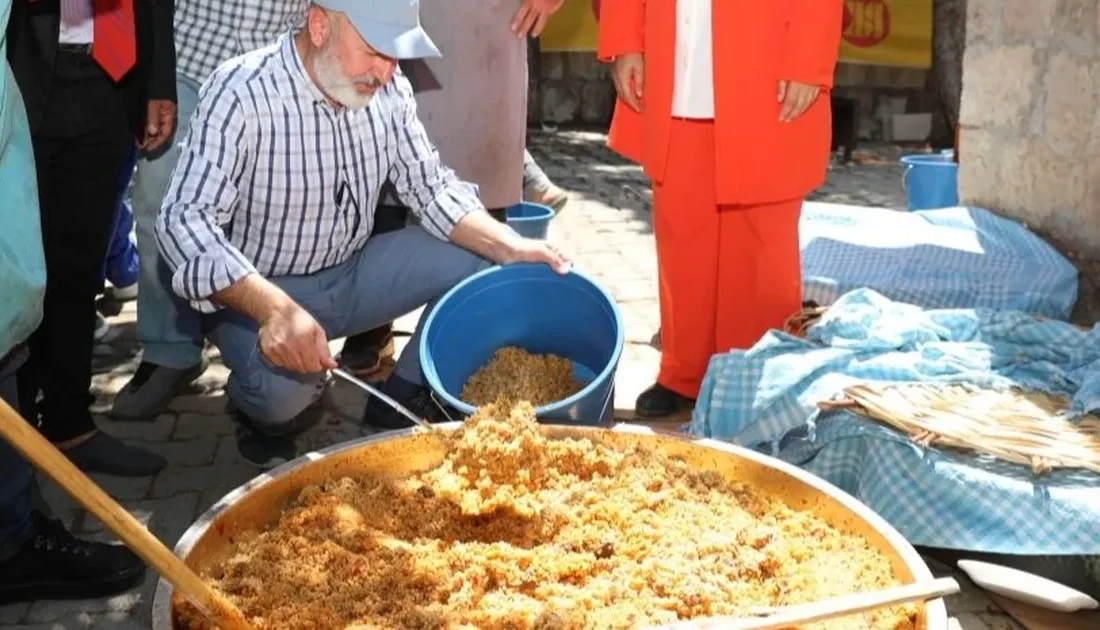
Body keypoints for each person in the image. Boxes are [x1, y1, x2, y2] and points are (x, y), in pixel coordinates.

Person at [156, 0, 570, 469]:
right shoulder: (242, 91)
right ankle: (255, 410)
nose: (385, 70)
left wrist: (511, 244)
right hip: (264, 293)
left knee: (487, 260)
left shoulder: (390, 90)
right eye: (375, 50)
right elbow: (181, 220)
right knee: (285, 398)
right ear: (318, 26)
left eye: (396, 55)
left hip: (351, 276)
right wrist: (273, 308)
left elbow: (431, 187)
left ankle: (405, 397)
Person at [597, 0, 842, 419]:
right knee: (682, 227)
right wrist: (625, 39)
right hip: (675, 51)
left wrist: (806, 58)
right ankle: (684, 373)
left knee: (760, 232)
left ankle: (752, 376)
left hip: (766, 54)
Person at [337, 0, 568, 377]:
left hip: (493, 19)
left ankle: (472, 330)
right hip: (402, 9)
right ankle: (371, 324)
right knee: (383, 159)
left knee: (487, 171)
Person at [0, 0, 145, 600]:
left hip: (96, 90)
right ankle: (14, 540)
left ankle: (18, 526)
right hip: (28, 87)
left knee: (42, 286)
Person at [111, 0, 311, 421]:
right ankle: (170, 351)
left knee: (271, 210)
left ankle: (266, 351)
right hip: (185, 59)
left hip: (276, 64)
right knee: (158, 202)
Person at [7, 0, 178, 475]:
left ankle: (68, 426)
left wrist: (159, 81)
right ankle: (15, 429)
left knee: (80, 266)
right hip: (15, 75)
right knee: (14, 269)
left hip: (110, 78)